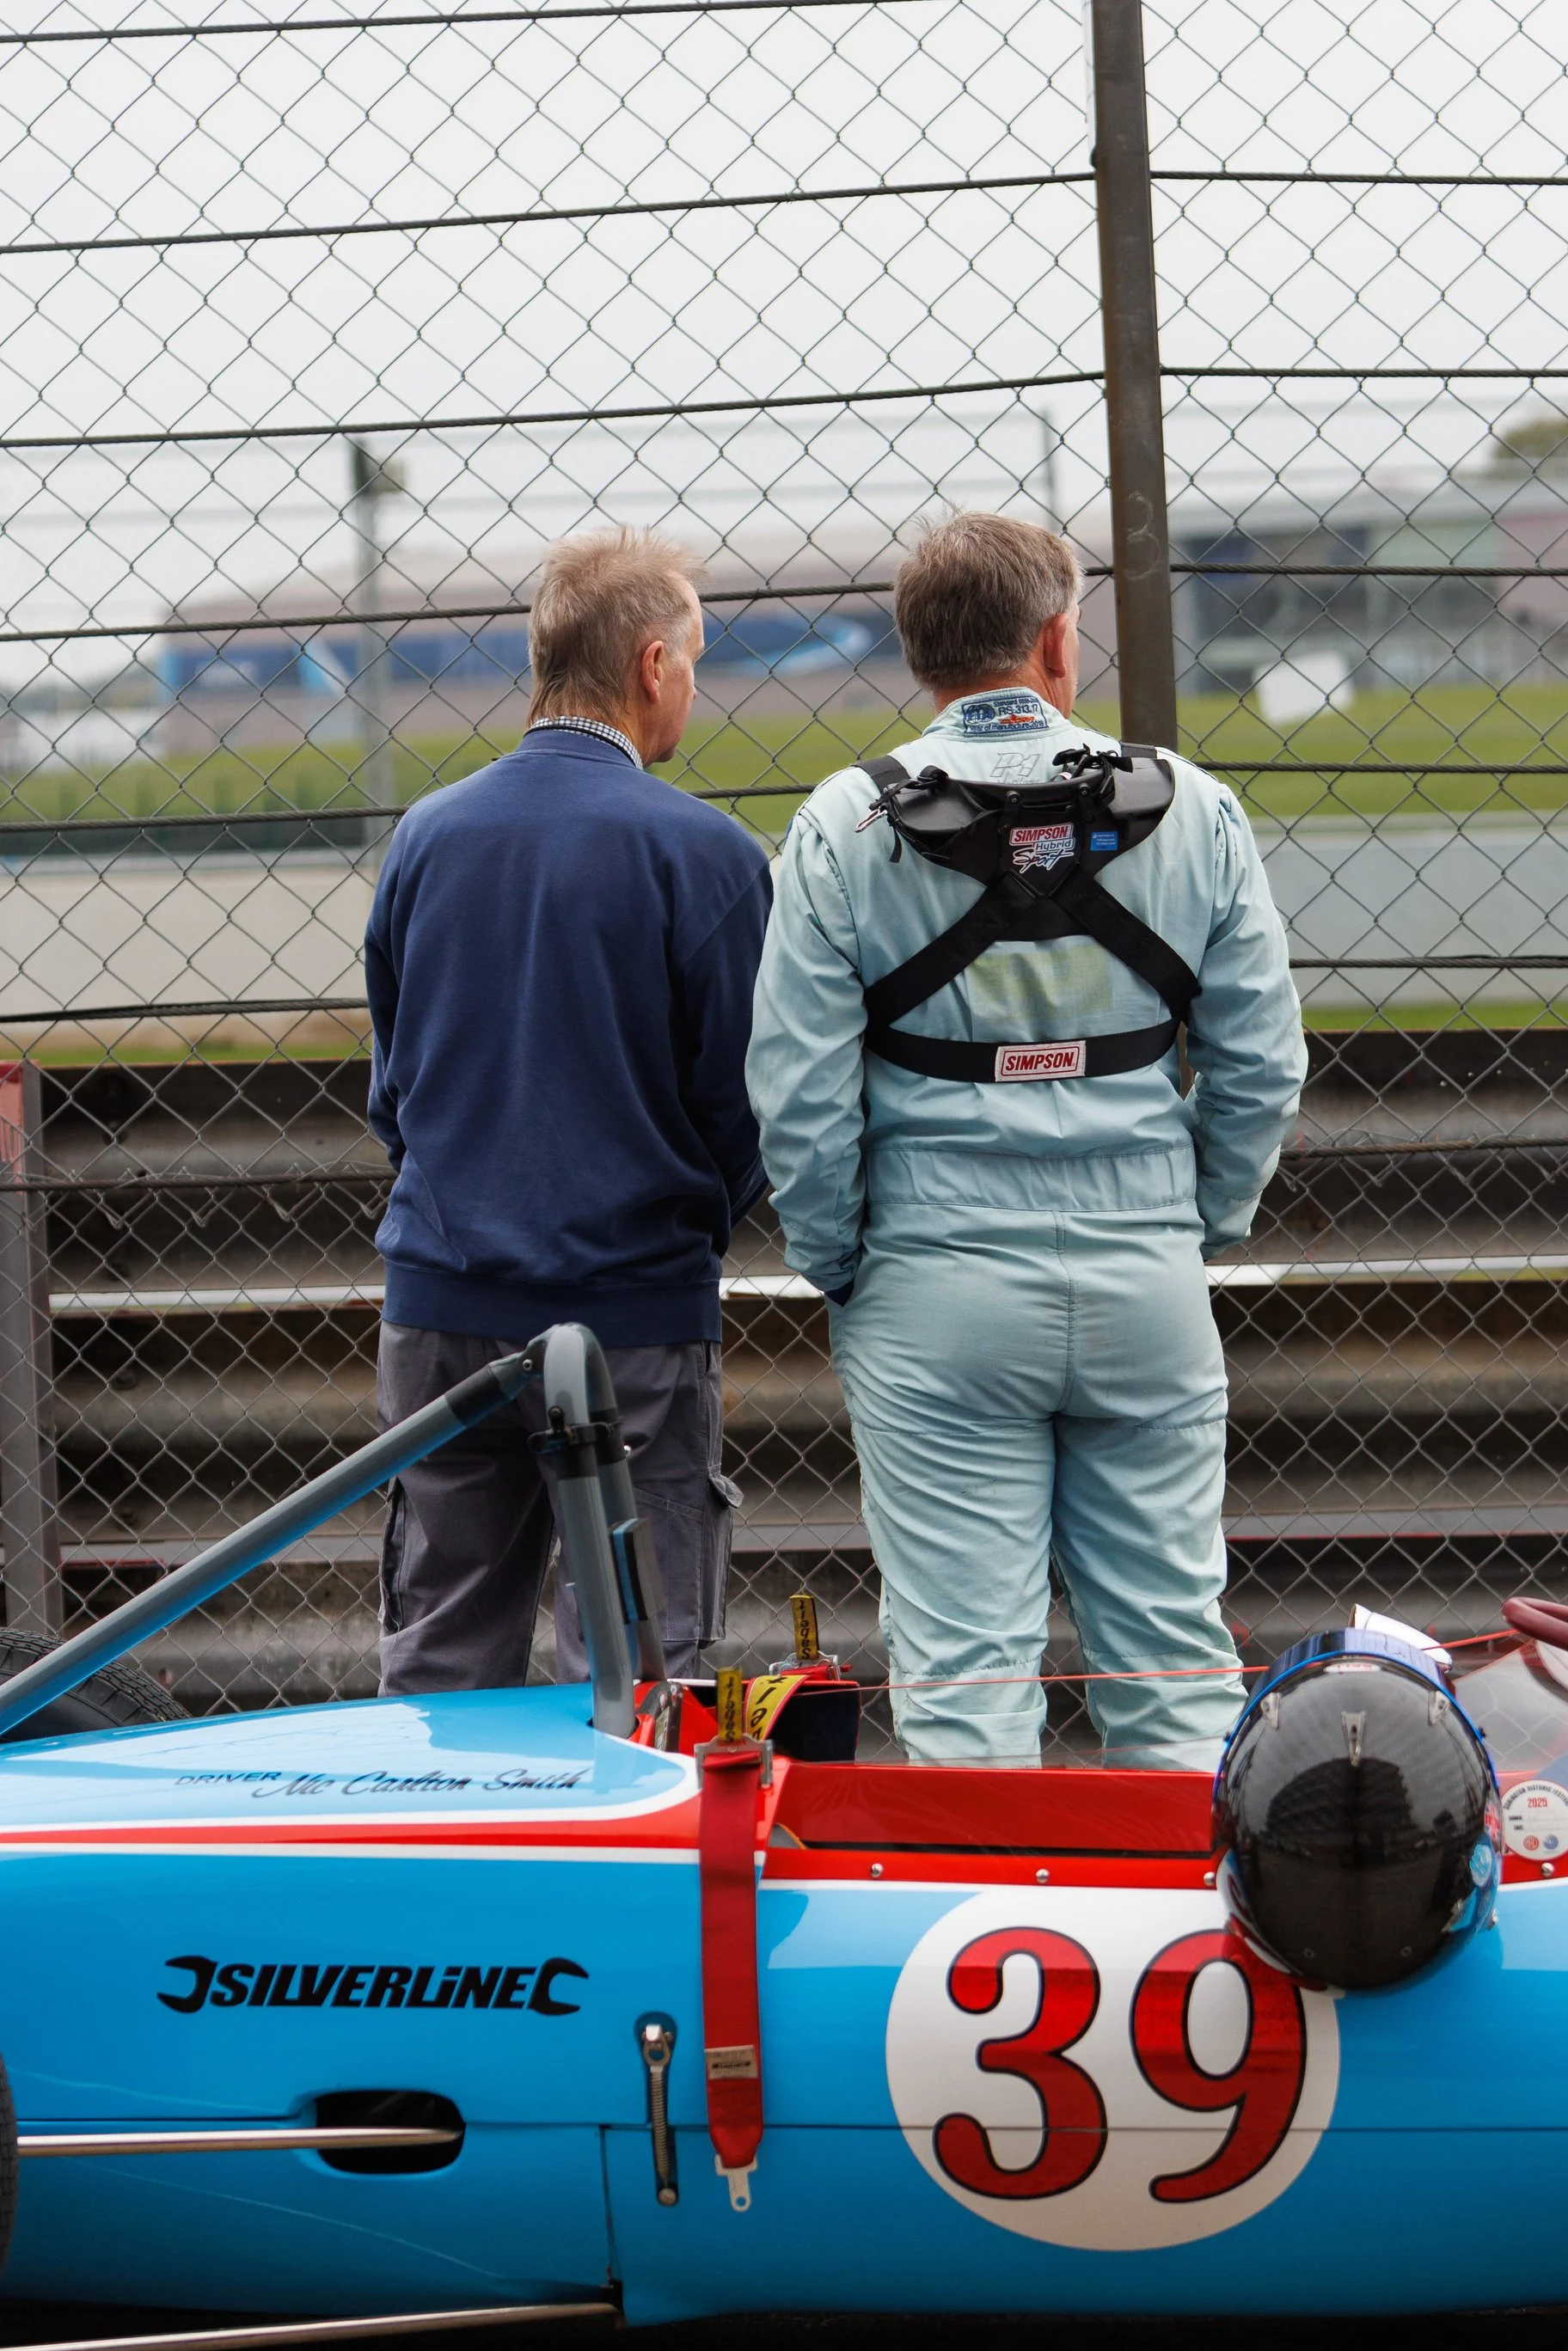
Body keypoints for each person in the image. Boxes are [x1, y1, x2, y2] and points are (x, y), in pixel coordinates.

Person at [745, 511, 1306, 1769]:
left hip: (931, 1279)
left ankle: (984, 1945)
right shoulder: (1195, 807)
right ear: (1059, 638)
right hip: (1145, 1271)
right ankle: (1185, 1949)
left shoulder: (842, 824)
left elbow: (797, 1087)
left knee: (964, 1672)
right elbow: (1264, 1061)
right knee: (1170, 1654)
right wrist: (1195, 1219)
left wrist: (842, 1256)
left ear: (917, 655)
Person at [364, 529, 772, 1693]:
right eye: (692, 659)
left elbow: (397, 1091)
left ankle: (445, 1860)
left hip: (442, 1307)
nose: (692, 683)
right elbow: (745, 1106)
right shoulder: (709, 855)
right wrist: (686, 1218)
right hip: (633, 1317)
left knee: (442, 1649)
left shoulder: (425, 838)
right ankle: (619, 1867)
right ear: (651, 666)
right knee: (638, 1668)